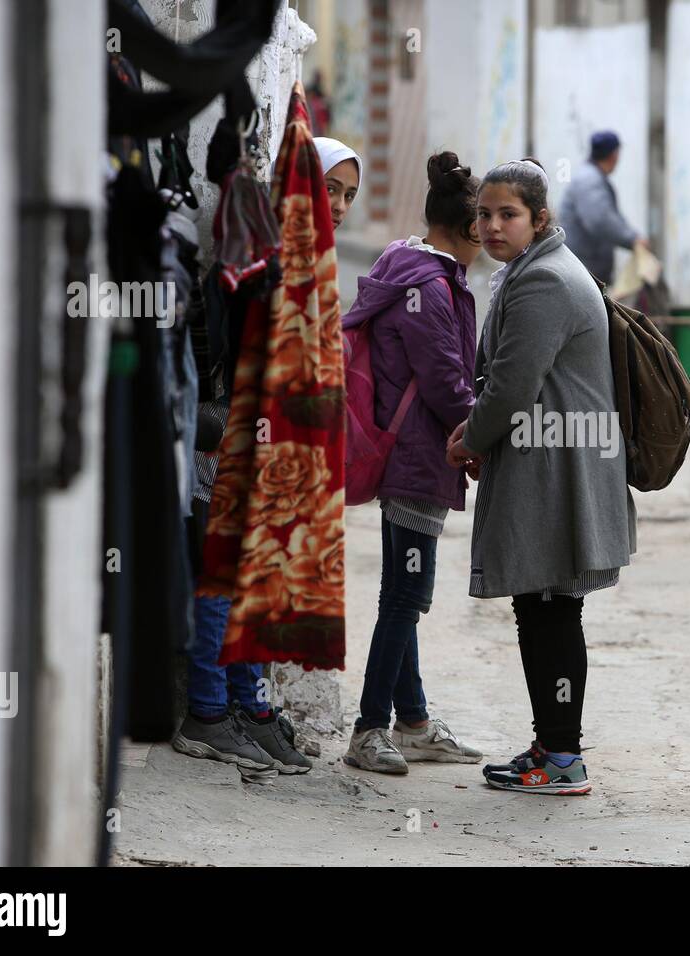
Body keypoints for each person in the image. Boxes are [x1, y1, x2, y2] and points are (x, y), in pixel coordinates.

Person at [171, 137, 364, 776]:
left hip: (260, 441)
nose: (335, 206)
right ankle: (207, 710)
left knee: (252, 574)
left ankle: (247, 706)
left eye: (346, 196)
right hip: (228, 439)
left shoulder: (301, 259)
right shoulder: (267, 255)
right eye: (328, 189)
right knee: (225, 575)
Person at [446, 158, 637, 795]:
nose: (494, 226)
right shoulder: (534, 271)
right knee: (545, 605)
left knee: (550, 607)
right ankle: (552, 746)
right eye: (485, 214)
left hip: (559, 468)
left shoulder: (542, 283)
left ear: (540, 218)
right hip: (554, 460)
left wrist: (471, 438)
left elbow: (511, 386)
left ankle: (561, 757)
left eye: (509, 215)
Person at [341, 151, 485, 774]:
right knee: (406, 594)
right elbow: (446, 381)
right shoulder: (429, 286)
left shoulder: (410, 268)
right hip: (419, 455)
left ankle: (415, 722)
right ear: (471, 228)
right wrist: (481, 434)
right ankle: (369, 728)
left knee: (402, 590)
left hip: (414, 452)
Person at [557, 130, 647, 286]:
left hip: (585, 268)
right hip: (583, 271)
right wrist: (633, 239)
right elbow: (600, 220)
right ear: (614, 155)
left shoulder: (590, 177)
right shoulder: (590, 180)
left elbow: (608, 216)